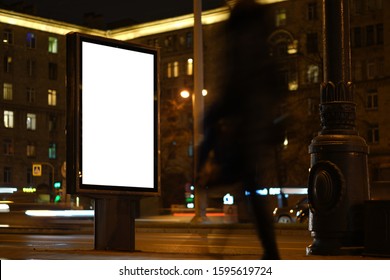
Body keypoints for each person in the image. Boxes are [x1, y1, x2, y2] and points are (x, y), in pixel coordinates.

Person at [197, 0, 285, 260]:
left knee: (240, 178)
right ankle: (270, 251)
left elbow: (235, 83)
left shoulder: (241, 41)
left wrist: (216, 111)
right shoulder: (262, 43)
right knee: (249, 183)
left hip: (246, 125)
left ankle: (202, 179)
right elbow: (275, 85)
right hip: (258, 124)